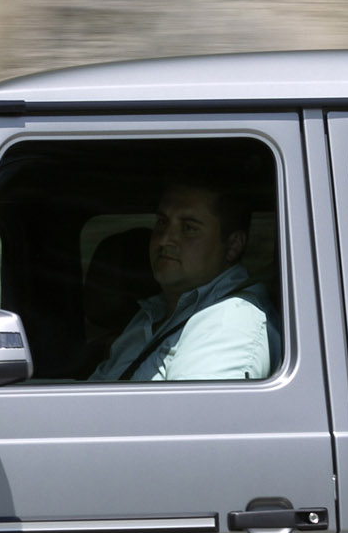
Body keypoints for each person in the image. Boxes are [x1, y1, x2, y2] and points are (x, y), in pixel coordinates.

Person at [88, 160, 274, 381]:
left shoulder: (229, 324)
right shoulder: (151, 314)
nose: (165, 239)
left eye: (189, 228)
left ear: (232, 246)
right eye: (162, 222)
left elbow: (189, 415)